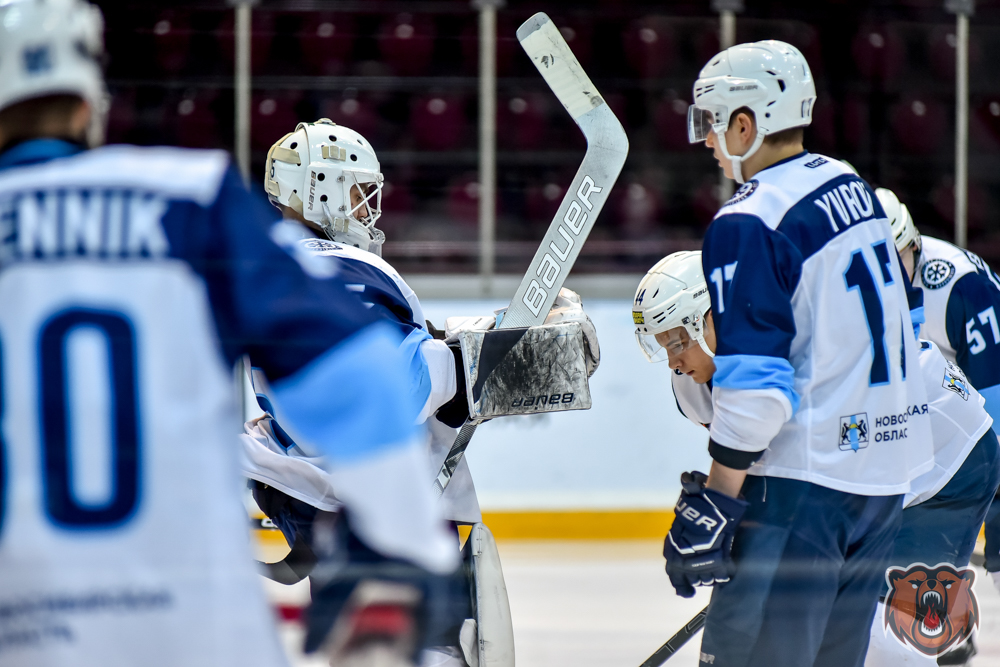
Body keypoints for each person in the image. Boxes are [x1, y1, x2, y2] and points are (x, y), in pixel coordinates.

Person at [0, 2, 459, 666]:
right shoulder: (190, 198)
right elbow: (360, 382)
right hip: (192, 624)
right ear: (86, 98)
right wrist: (404, 551)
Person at [249, 119, 600, 666]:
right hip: (379, 523)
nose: (370, 211)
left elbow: (390, 359)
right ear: (319, 189)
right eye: (361, 195)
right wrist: (492, 363)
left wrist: (482, 338)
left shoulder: (286, 271)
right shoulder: (333, 266)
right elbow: (385, 389)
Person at [663, 40, 934, 666]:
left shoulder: (750, 219)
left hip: (804, 489)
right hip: (881, 480)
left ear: (745, 122)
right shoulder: (853, 186)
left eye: (711, 121)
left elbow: (757, 390)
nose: (706, 139)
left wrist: (718, 497)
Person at [633, 251, 1000, 666]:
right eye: (663, 346)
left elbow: (829, 467)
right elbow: (761, 460)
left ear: (713, 315)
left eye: (678, 341)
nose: (674, 362)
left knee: (882, 635)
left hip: (945, 465)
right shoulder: (694, 384)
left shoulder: (801, 350)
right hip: (868, 465)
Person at [877, 187, 1000, 611]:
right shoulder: (854, 297)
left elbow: (995, 411)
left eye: (897, 262)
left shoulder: (958, 286)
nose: (888, 278)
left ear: (914, 244)